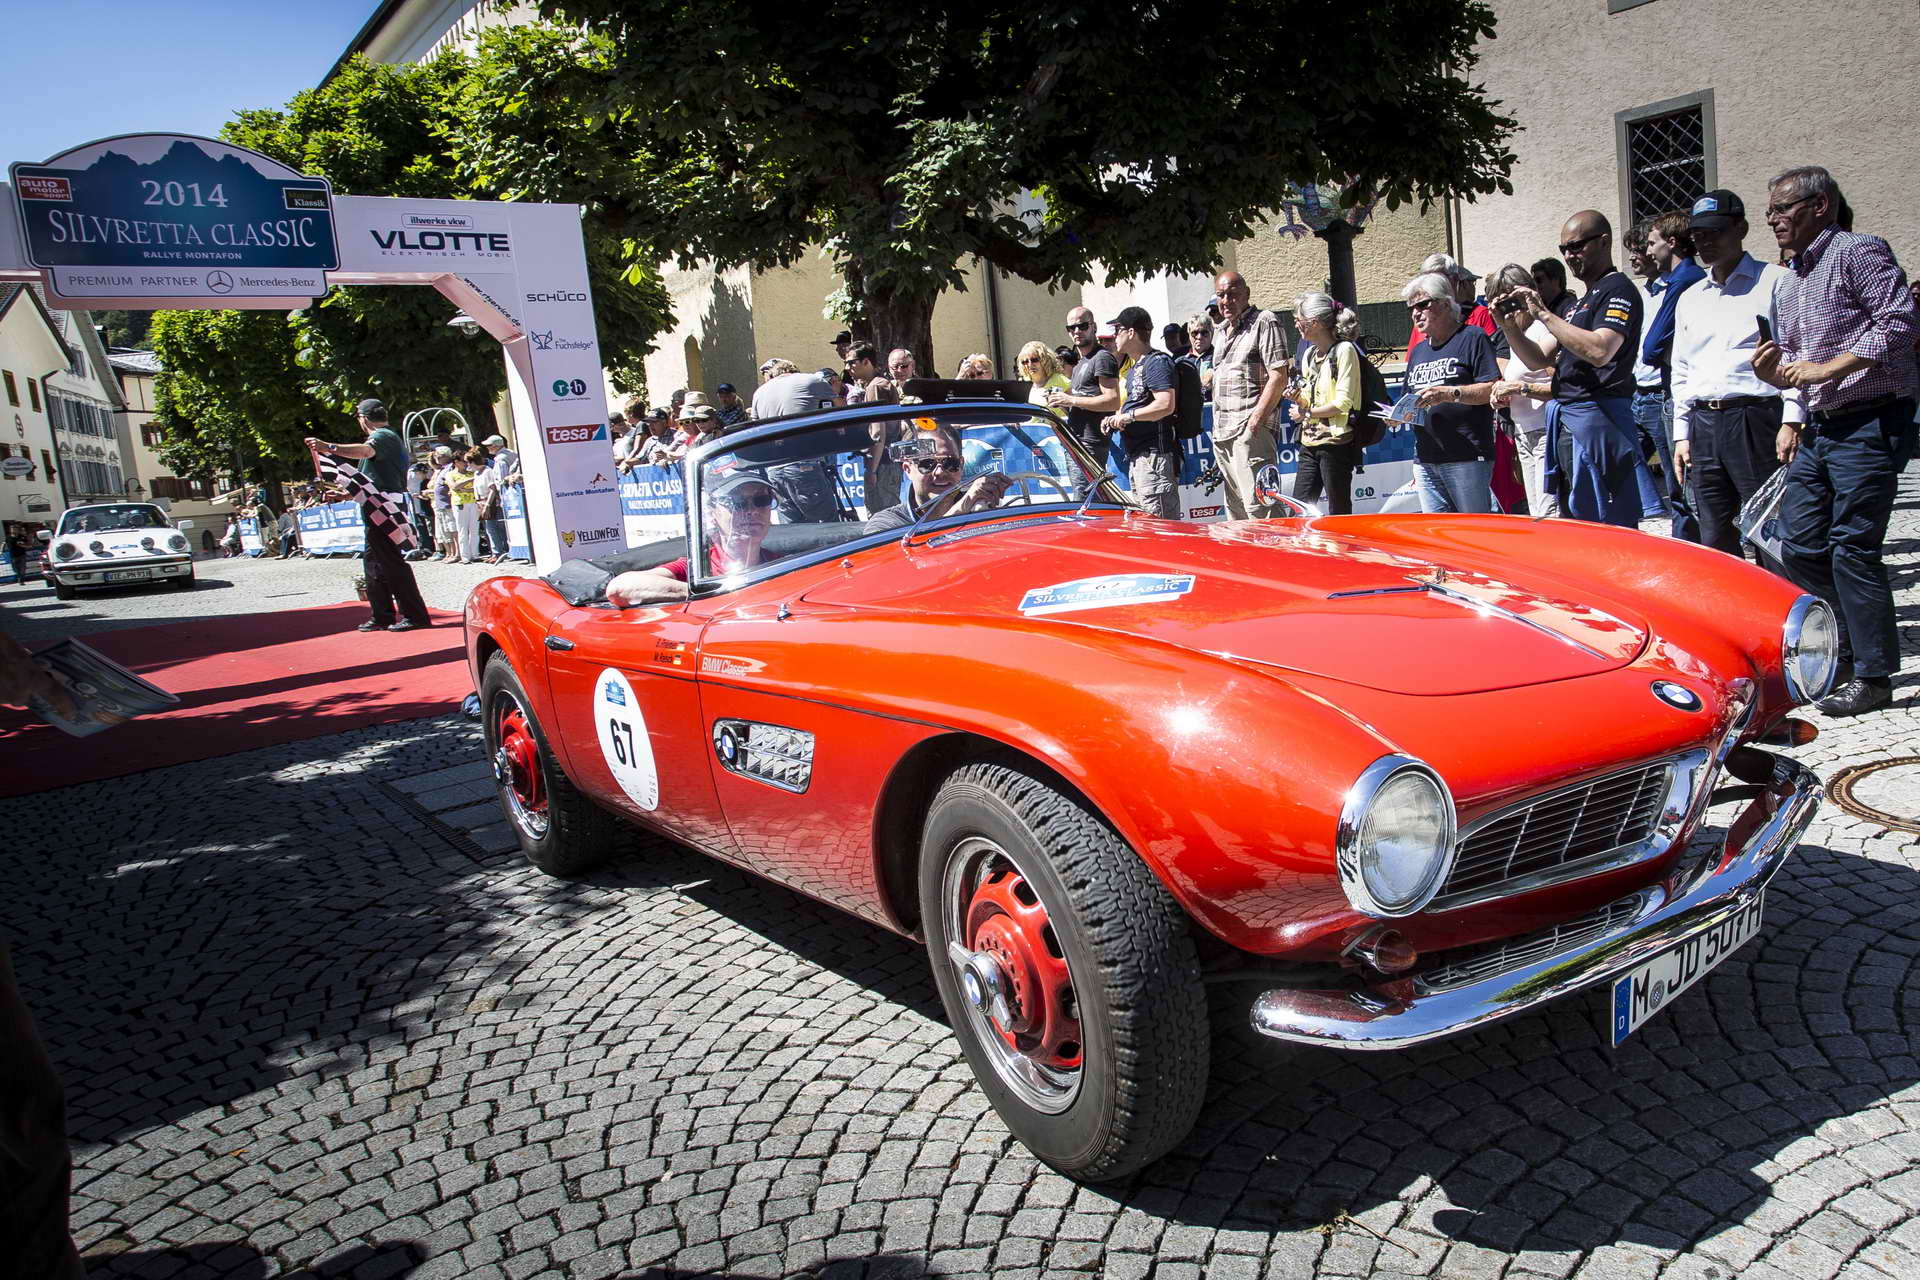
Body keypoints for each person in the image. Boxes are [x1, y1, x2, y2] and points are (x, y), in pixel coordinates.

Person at [1752, 164, 1919, 716]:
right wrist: (1778, 377)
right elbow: (1799, 362)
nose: (1773, 219)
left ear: (1820, 205)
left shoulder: (1856, 251)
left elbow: (1899, 323)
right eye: (1770, 210)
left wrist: (1830, 368)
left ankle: (1872, 674)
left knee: (1853, 546)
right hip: (1822, 425)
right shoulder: (1793, 278)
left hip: (1871, 420)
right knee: (1797, 542)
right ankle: (1840, 650)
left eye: (1782, 208)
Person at [1668, 190, 1803, 560]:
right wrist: (1681, 434)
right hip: (1704, 424)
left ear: (1740, 228)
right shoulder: (1691, 297)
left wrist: (1792, 419)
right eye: (1698, 235)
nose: (1705, 242)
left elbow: (1796, 353)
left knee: (1770, 531)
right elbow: (1682, 369)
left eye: (1714, 232)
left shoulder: (1776, 282)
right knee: (1714, 535)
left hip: (1755, 419)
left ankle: (1778, 597)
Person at [1506, 211, 1647, 526]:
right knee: (1576, 519)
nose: (1569, 255)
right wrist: (1509, 327)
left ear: (1604, 242)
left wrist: (1544, 315)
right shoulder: (1579, 304)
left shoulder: (1618, 289)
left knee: (1608, 522)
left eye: (1577, 246)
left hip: (1598, 419)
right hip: (1569, 419)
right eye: (1564, 249)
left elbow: (1600, 350)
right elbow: (1537, 359)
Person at [304, 399, 431, 631]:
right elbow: (370, 480)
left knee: (390, 562)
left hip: (384, 506)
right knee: (374, 564)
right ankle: (382, 615)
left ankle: (415, 615)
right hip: (378, 505)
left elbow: (365, 451)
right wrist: (346, 494)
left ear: (363, 418)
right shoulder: (386, 437)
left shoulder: (383, 436)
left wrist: (328, 447)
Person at [606, 471, 787, 605]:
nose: (752, 511)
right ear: (713, 512)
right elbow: (619, 587)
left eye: (762, 500)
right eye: (737, 502)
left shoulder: (781, 564)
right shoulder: (698, 568)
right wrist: (710, 594)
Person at [1402, 272, 1501, 511]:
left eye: (1422, 305)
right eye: (1411, 308)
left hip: (1466, 456)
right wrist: (1397, 415)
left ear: (1446, 304)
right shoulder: (1418, 351)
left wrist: (1450, 394)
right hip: (1425, 459)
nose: (1416, 313)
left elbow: (1492, 388)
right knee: (1437, 532)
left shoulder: (1472, 337)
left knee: (1472, 528)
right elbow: (1409, 398)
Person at [1208, 270, 1291, 520]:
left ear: (1246, 294)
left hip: (1249, 430)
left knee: (1262, 509)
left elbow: (1279, 376)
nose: (1226, 301)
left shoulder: (1264, 321)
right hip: (1223, 433)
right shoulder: (1221, 331)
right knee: (1237, 514)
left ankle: (1279, 548)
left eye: (1232, 294)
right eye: (1221, 295)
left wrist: (1255, 421)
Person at [1487, 264, 1561, 519]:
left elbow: (1561, 387)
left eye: (1512, 300)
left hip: (1544, 432)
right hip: (1522, 432)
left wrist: (1520, 387)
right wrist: (1503, 396)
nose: (1508, 308)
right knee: (1536, 512)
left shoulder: (1543, 329)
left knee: (1549, 513)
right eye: (1499, 302)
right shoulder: (1515, 333)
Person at [1283, 293, 1362, 514]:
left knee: (1339, 511)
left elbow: (1343, 403)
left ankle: (1343, 539)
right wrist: (1297, 398)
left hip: (1336, 443)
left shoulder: (1345, 350)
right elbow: (1309, 399)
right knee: (1298, 511)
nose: (1296, 325)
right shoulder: (1309, 354)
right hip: (1309, 442)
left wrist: (1306, 413)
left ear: (1315, 323)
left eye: (1298, 320)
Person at [1099, 305, 1181, 518]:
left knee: (1161, 527)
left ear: (1131, 332)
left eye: (1118, 330)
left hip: (1155, 458)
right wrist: (1116, 418)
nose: (1114, 336)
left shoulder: (1157, 362)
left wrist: (1129, 416)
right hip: (1139, 459)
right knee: (1148, 525)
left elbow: (1165, 404)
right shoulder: (1135, 368)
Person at [862, 426, 1017, 533]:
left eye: (950, 463)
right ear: (908, 469)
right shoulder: (886, 524)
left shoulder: (980, 507)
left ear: (961, 464)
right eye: (927, 464)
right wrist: (964, 506)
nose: (940, 472)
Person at [1045, 306, 1122, 489]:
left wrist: (1070, 400)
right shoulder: (1081, 363)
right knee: (1084, 497)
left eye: (1083, 326)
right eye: (1071, 328)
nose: (1077, 331)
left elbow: (1112, 400)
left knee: (1085, 499)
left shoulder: (1102, 358)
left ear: (1093, 327)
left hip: (1091, 443)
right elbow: (1082, 404)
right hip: (1077, 440)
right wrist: (1061, 402)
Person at [473, 450, 507, 564]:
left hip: (490, 503)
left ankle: (500, 552)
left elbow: (492, 489)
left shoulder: (487, 471)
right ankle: (495, 552)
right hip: (481, 502)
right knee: (489, 529)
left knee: (495, 528)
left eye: (469, 462)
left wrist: (487, 504)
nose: (468, 465)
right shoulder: (476, 473)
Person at [450, 449, 483, 564]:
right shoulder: (450, 474)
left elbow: (477, 487)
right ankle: (465, 556)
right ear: (456, 462)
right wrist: (470, 480)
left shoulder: (472, 472)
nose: (465, 463)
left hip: (473, 502)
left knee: (474, 529)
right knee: (462, 530)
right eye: (462, 461)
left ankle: (475, 554)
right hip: (460, 503)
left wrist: (464, 488)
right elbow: (454, 486)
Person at [1017, 342, 1069, 406]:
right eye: (1025, 362)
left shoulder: (1060, 380)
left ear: (1045, 360)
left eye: (1034, 360)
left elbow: (1074, 408)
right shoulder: (1023, 385)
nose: (1030, 365)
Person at [429, 446, 458, 561]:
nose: (436, 458)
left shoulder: (450, 467)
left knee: (453, 529)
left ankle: (456, 553)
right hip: (441, 504)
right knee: (445, 531)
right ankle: (450, 553)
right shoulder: (442, 469)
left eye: (437, 455)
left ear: (445, 456)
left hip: (448, 503)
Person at [1183, 313, 1215, 401]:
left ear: (1212, 334)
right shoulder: (1181, 362)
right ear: (1189, 335)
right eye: (1194, 333)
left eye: (1204, 333)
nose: (1199, 337)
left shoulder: (1221, 358)